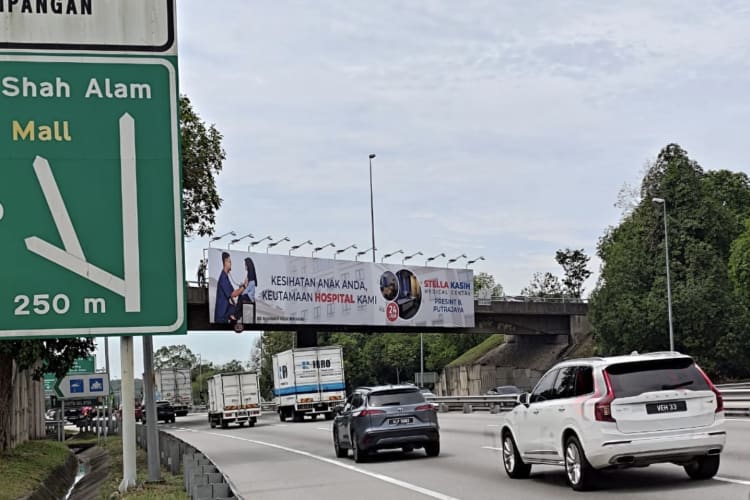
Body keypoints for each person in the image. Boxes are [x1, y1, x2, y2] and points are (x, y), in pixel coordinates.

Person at [214, 252, 246, 324]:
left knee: (238, 309)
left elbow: (231, 294)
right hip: (222, 314)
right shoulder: (223, 278)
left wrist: (235, 304)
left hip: (227, 309)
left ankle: (233, 318)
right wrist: (244, 286)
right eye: (229, 262)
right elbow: (233, 294)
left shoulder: (226, 277)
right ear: (225, 262)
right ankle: (233, 318)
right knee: (239, 310)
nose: (231, 264)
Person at [231, 257, 258, 330]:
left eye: (245, 265)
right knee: (240, 296)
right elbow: (246, 287)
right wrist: (242, 286)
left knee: (241, 296)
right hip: (247, 294)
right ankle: (238, 314)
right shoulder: (248, 276)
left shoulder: (251, 278)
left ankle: (236, 315)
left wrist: (242, 290)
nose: (245, 266)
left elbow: (248, 289)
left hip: (249, 296)